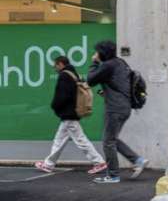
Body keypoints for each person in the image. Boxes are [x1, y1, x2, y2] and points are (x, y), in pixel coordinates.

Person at [87, 40, 148, 183]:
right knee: (112, 139)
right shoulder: (121, 63)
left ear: (102, 53)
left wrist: (95, 62)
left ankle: (113, 175)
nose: (95, 54)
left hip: (115, 108)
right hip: (125, 107)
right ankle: (137, 160)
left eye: (97, 52)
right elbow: (119, 84)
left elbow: (90, 79)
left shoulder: (107, 65)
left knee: (108, 141)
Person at [35, 56, 107, 174]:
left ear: (60, 64)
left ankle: (99, 162)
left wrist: (55, 106)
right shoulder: (75, 75)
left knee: (80, 140)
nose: (55, 68)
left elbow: (62, 95)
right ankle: (48, 164)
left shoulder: (64, 75)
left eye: (56, 65)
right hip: (73, 112)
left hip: (68, 113)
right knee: (59, 140)